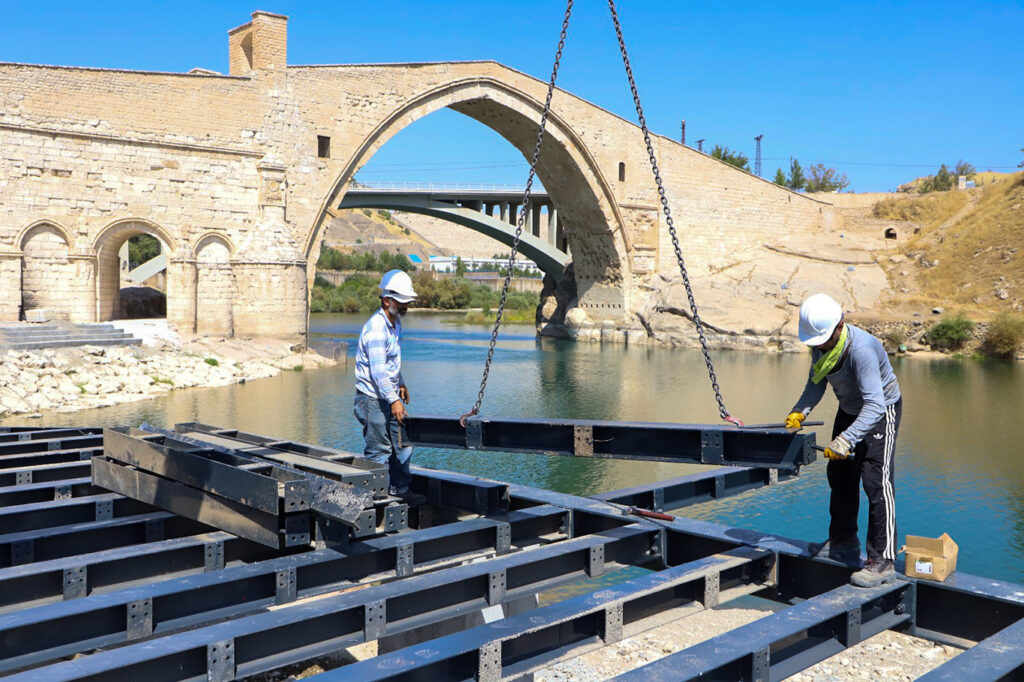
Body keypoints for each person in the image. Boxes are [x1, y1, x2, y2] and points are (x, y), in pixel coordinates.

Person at [785, 293, 902, 587]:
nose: (819, 346)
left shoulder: (860, 350)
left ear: (840, 326)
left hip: (880, 411)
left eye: (823, 340)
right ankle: (843, 542)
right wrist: (799, 412)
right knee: (839, 474)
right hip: (850, 409)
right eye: (815, 342)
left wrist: (846, 439)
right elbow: (815, 385)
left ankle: (883, 560)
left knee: (876, 481)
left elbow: (875, 404)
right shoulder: (820, 345)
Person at [354, 269, 425, 505]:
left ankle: (400, 490)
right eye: (402, 302)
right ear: (387, 300)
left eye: (407, 302)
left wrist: (401, 383)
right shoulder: (376, 329)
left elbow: (391, 363)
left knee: (403, 443)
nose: (406, 307)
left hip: (388, 394)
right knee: (379, 449)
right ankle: (374, 500)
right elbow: (378, 371)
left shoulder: (394, 324)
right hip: (372, 399)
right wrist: (393, 399)